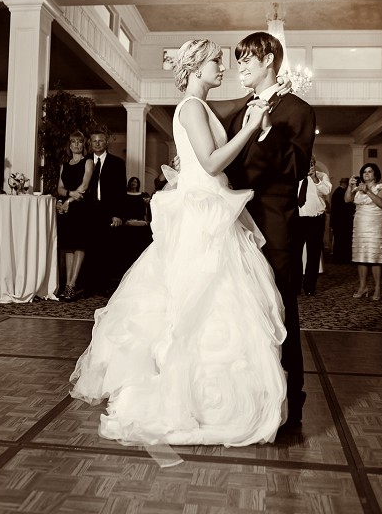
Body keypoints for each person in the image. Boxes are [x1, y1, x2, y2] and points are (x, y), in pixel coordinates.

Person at [70, 38, 289, 449]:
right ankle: (183, 398)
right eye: (215, 63)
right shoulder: (190, 107)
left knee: (212, 299)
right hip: (202, 212)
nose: (221, 69)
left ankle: (209, 397)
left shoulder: (200, 106)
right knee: (196, 299)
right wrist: (248, 129)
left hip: (210, 206)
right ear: (195, 68)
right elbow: (209, 163)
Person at [224, 31, 315, 429]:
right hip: (237, 227)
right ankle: (249, 397)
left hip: (276, 225)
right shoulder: (233, 113)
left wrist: (265, 130)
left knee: (280, 310)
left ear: (270, 61)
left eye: (247, 58)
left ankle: (290, 401)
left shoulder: (298, 110)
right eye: (238, 59)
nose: (240, 65)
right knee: (242, 311)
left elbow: (297, 170)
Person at [78, 129, 126, 298]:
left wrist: (118, 214)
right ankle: (88, 287)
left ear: (106, 142)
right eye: (94, 141)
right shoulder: (84, 162)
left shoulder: (118, 163)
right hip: (87, 212)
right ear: (90, 143)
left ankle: (104, 286)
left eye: (100, 140)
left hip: (108, 212)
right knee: (89, 249)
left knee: (106, 250)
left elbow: (121, 191)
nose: (97, 143)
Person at [55, 132, 95, 300]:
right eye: (74, 142)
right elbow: (60, 188)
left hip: (81, 208)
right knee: (68, 247)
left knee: (79, 245)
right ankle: (67, 286)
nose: (77, 145)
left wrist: (68, 200)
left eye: (80, 142)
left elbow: (84, 186)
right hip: (66, 208)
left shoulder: (88, 162)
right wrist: (67, 197)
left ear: (83, 145)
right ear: (69, 145)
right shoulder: (64, 165)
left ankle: (72, 285)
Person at [346, 162, 382, 300]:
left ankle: (377, 288)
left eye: (369, 171)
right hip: (360, 224)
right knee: (361, 256)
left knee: (375, 256)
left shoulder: (381, 187)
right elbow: (347, 200)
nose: (366, 174)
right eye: (364, 172)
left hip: (375, 224)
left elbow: (381, 203)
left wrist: (367, 191)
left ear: (375, 174)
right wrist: (350, 187)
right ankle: (363, 287)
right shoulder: (358, 188)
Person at [295, 155, 330, 296]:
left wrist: (315, 178)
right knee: (295, 254)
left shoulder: (322, 176)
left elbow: (326, 191)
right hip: (298, 220)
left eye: (311, 162)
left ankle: (310, 286)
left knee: (314, 254)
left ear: (314, 163)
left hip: (316, 220)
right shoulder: (295, 177)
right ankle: (295, 286)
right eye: (306, 161)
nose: (309, 164)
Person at [330, 178, 354, 263]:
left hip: (338, 221)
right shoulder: (341, 193)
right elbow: (347, 206)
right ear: (346, 184)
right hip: (342, 221)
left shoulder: (336, 192)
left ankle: (339, 258)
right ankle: (343, 258)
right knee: (343, 240)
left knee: (339, 240)